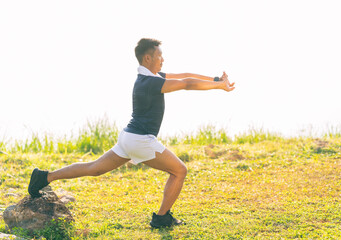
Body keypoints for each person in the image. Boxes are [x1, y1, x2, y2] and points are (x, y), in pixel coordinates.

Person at [28, 38, 235, 228]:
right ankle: (162, 217)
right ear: (148, 58)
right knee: (179, 171)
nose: (163, 59)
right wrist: (218, 86)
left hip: (129, 137)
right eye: (159, 56)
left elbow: (183, 76)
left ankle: (44, 177)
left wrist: (215, 78)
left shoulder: (149, 78)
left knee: (95, 168)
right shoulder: (151, 83)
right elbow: (187, 84)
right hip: (140, 140)